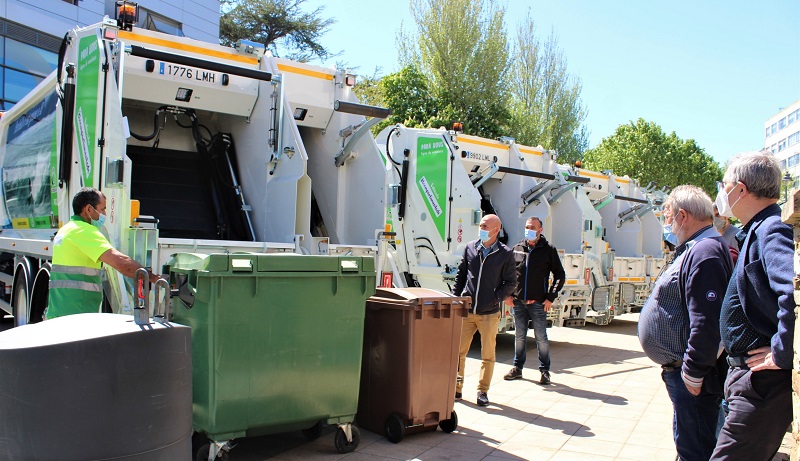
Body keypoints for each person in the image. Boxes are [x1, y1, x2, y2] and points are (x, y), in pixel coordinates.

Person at [711, 151, 795, 460]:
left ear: (741, 189)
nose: (723, 193)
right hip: (747, 378)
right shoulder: (758, 229)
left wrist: (782, 350)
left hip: (761, 382)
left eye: (725, 184)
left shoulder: (772, 229)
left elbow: (792, 293)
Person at [638, 185, 733, 461]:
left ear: (682, 216)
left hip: (692, 379)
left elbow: (707, 321)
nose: (666, 223)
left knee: (697, 451)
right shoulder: (699, 248)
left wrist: (693, 370)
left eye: (667, 216)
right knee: (690, 446)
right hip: (683, 374)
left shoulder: (706, 251)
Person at [47, 188, 160, 319]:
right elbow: (120, 262)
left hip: (59, 312)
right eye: (102, 209)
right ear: (89, 209)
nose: (104, 213)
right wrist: (152, 277)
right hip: (77, 315)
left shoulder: (66, 229)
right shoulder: (84, 231)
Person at [452, 213, 516, 407]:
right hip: (467, 310)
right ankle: (456, 388)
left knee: (488, 355)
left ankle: (482, 391)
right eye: (481, 225)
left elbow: (511, 282)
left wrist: (494, 298)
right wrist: (457, 298)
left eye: (485, 226)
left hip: (489, 313)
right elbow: (461, 274)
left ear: (496, 230)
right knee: (457, 353)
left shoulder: (505, 254)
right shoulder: (470, 248)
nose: (481, 228)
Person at [503, 216, 565, 385]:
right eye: (527, 226)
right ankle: (517, 368)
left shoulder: (548, 250)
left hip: (538, 303)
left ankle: (544, 371)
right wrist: (508, 295)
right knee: (519, 336)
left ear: (540, 230)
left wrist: (550, 297)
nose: (529, 229)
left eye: (532, 227)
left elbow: (560, 275)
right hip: (518, 303)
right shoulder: (517, 249)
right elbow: (508, 275)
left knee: (541, 337)